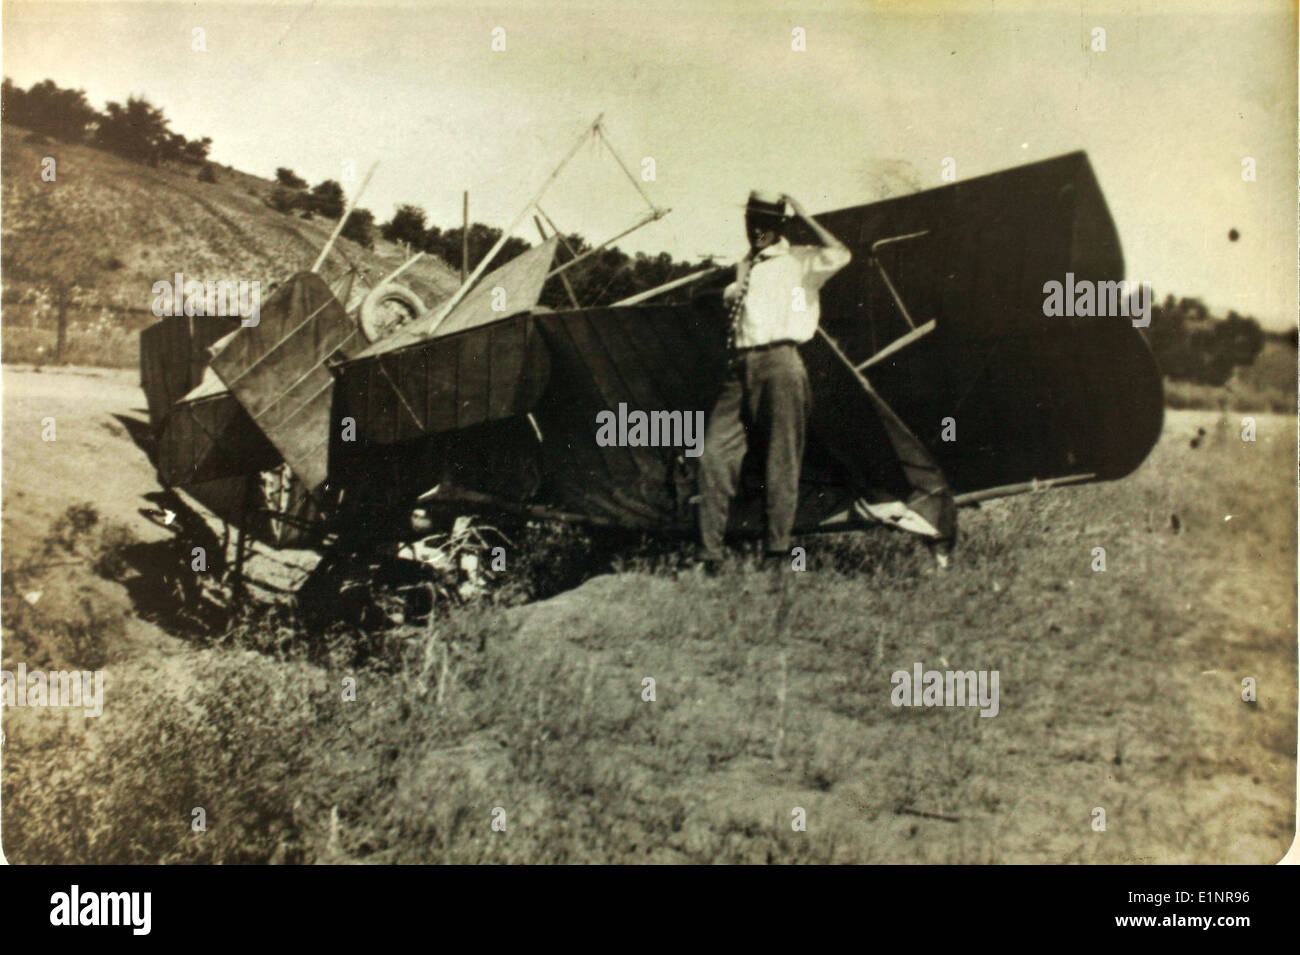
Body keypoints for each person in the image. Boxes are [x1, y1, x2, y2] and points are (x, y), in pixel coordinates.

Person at [697, 190, 851, 572]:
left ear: (780, 226)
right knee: (713, 455)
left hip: (781, 364)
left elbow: (842, 254)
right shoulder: (743, 267)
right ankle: (710, 558)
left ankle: (778, 555)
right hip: (739, 368)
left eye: (764, 223)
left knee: (780, 461)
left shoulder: (800, 261)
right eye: (751, 221)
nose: (755, 229)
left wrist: (805, 215)